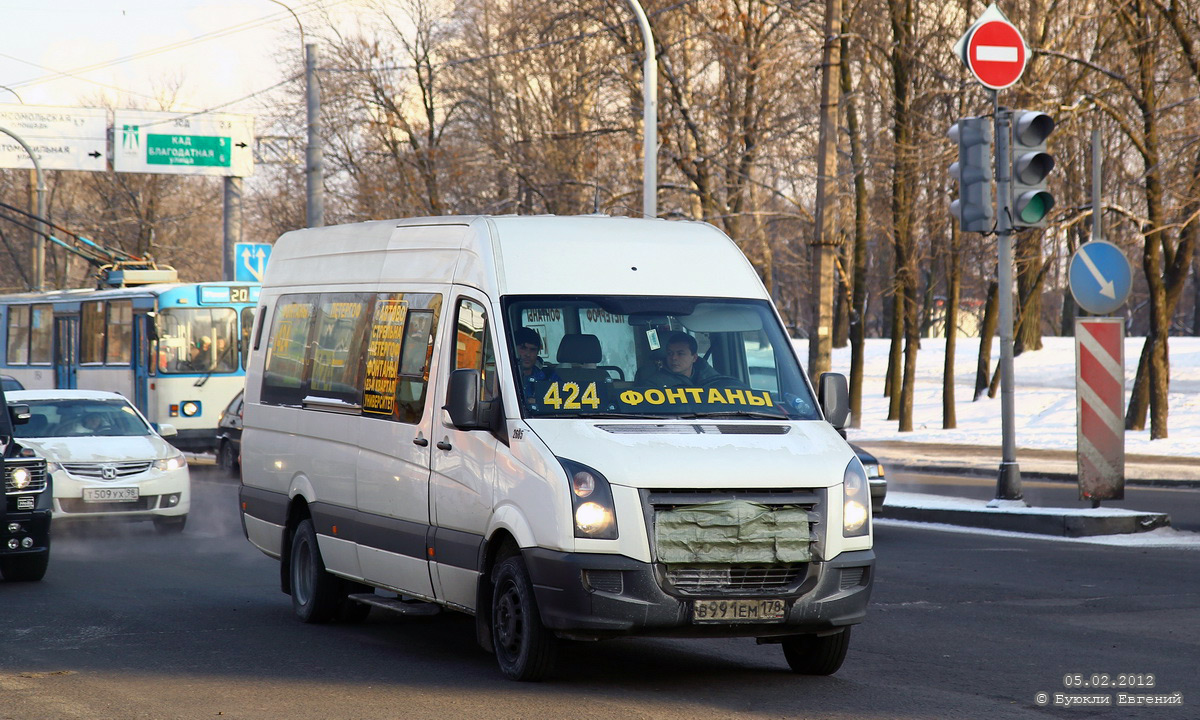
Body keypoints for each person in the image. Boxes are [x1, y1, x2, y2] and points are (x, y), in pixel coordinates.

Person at [642, 332, 722, 387]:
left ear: (694, 358)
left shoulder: (710, 378)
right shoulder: (655, 384)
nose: (673, 358)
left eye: (680, 354)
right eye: (670, 353)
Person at [513, 326, 559, 401]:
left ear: (537, 352)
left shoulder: (549, 377)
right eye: (523, 348)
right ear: (513, 349)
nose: (528, 354)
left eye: (533, 350)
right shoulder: (505, 378)